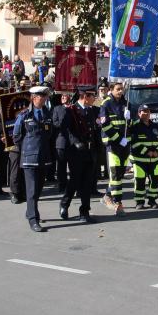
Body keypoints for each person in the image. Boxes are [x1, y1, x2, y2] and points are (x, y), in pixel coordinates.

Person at [13, 86, 54, 232]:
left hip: (43, 156)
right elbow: (17, 136)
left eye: (45, 96)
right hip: (29, 156)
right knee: (31, 190)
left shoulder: (47, 113)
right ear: (33, 97)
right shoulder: (24, 115)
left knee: (38, 189)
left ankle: (30, 211)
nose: (44, 98)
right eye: (41, 96)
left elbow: (50, 134)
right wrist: (26, 149)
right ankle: (33, 219)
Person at [59, 89, 97, 223]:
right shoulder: (71, 110)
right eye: (93, 95)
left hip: (89, 151)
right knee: (74, 181)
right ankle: (64, 204)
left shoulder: (91, 110)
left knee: (87, 182)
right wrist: (75, 142)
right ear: (85, 97)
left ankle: (84, 211)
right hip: (76, 152)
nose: (95, 98)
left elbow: (94, 130)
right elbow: (66, 129)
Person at [100, 81, 130, 216]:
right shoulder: (106, 104)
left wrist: (130, 119)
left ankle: (107, 195)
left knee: (120, 173)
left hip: (124, 145)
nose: (120, 91)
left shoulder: (126, 104)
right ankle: (118, 203)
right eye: (118, 89)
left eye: (121, 89)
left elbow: (131, 125)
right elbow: (105, 124)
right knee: (115, 174)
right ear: (111, 89)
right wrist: (119, 139)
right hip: (112, 144)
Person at [130, 104, 158, 209]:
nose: (146, 113)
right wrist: (147, 152)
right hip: (139, 160)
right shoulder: (134, 126)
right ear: (139, 113)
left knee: (155, 180)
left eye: (148, 111)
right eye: (143, 111)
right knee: (140, 180)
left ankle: (152, 201)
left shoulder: (156, 126)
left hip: (154, 159)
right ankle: (139, 202)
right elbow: (134, 143)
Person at [52, 92, 72, 193]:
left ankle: (73, 185)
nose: (63, 98)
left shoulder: (73, 108)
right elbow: (54, 123)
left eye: (65, 96)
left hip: (72, 141)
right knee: (61, 165)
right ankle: (62, 185)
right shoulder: (57, 109)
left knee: (73, 165)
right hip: (61, 141)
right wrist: (63, 124)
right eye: (62, 96)